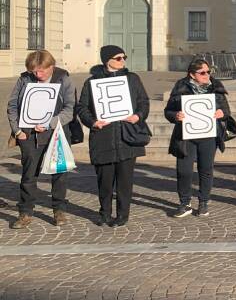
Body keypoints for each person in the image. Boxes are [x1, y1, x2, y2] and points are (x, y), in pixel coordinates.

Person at [75, 45, 150, 228]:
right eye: (118, 58)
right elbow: (82, 107)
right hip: (103, 137)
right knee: (105, 181)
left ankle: (122, 215)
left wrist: (138, 116)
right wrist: (93, 122)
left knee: (125, 182)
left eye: (124, 57)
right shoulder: (92, 82)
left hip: (127, 136)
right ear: (107, 60)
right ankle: (104, 213)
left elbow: (143, 102)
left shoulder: (132, 79)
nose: (123, 61)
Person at [6, 50, 76, 228]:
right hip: (28, 135)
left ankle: (59, 210)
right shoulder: (24, 79)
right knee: (29, 175)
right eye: (34, 72)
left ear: (51, 67)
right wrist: (17, 131)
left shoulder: (63, 78)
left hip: (56, 133)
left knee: (59, 174)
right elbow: (13, 105)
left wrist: (50, 123)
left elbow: (69, 108)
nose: (37, 75)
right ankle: (25, 212)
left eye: (41, 71)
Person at [164, 58, 231, 218]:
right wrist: (176, 115)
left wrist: (222, 114)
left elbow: (226, 110)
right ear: (192, 75)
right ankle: (185, 203)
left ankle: (203, 203)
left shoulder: (216, 86)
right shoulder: (180, 86)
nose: (207, 75)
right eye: (202, 73)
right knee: (184, 171)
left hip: (208, 135)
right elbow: (168, 111)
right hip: (186, 136)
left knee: (206, 169)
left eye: (208, 72)